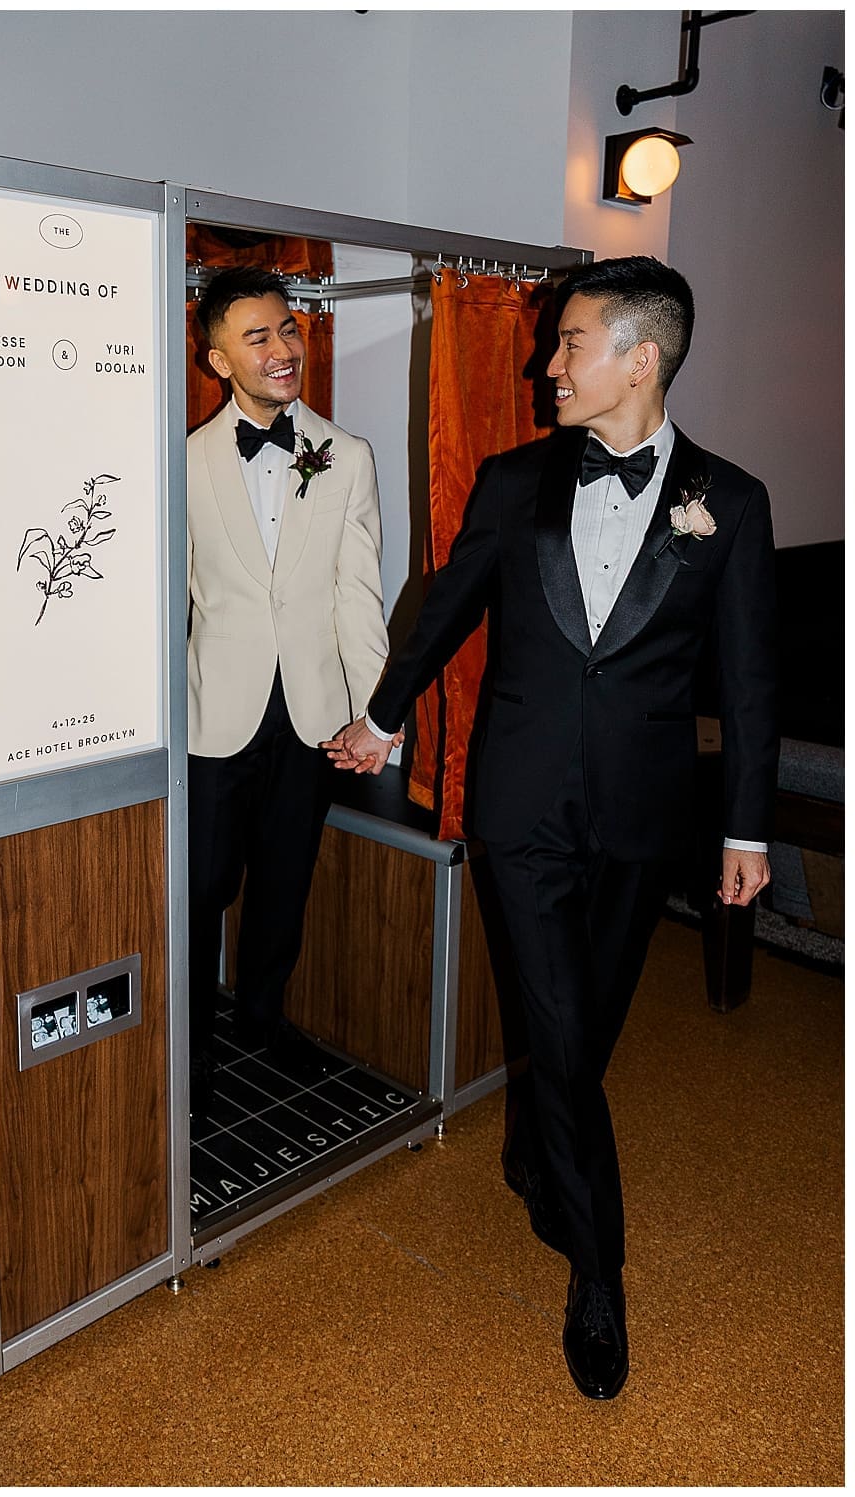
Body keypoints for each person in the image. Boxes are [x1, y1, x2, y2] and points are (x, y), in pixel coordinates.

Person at [329, 256, 776, 1400]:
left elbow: (748, 678)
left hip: (640, 817)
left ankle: (533, 1142)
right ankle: (597, 1274)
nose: (546, 363)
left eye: (568, 343)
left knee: (585, 1026)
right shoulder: (510, 478)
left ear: (640, 358)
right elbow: (443, 606)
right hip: (520, 805)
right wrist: (381, 721)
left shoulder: (729, 500)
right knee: (565, 1032)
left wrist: (743, 832)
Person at [184, 266, 389, 1103]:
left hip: (313, 715)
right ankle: (189, 1040)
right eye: (258, 336)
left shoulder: (348, 457)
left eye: (289, 331)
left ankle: (262, 1019)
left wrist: (379, 715)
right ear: (218, 358)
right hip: (211, 718)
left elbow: (359, 594)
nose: (282, 349)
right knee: (199, 890)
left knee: (284, 883)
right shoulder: (182, 461)